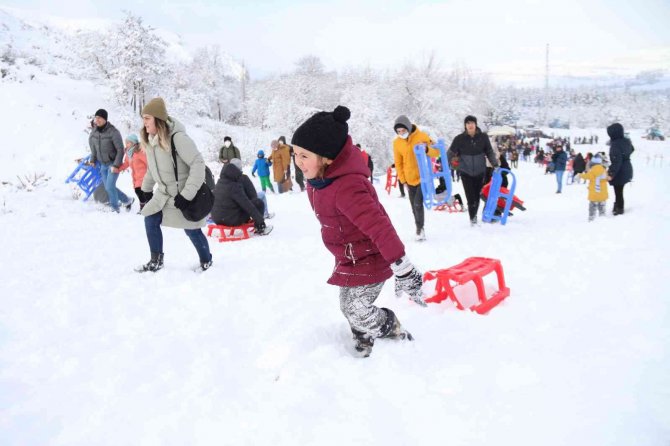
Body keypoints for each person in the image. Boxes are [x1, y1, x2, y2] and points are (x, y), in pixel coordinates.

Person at [292, 105, 424, 358]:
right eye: (295, 154)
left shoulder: (347, 187)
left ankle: (391, 327)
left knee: (355, 308)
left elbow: (379, 226)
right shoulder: (320, 181)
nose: (298, 161)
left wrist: (403, 268)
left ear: (327, 157)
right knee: (349, 304)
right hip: (350, 256)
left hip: (371, 257)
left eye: (304, 156)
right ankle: (363, 335)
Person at [135, 97, 213, 273]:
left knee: (191, 229)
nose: (144, 123)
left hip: (184, 196)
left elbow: (198, 163)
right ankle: (156, 261)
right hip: (164, 195)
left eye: (147, 118)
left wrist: (187, 195)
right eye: (143, 118)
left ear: (158, 119)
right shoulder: (151, 141)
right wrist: (145, 189)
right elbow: (152, 170)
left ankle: (206, 260)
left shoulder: (178, 138)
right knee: (150, 218)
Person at [392, 115, 439, 240]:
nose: (401, 133)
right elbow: (398, 163)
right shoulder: (397, 143)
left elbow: (436, 152)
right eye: (398, 132)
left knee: (418, 203)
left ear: (408, 127)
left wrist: (427, 149)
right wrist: (403, 180)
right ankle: (419, 226)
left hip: (423, 177)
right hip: (409, 179)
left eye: (403, 130)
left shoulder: (421, 136)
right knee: (413, 205)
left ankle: (420, 229)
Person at [447, 115, 499, 226]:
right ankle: (473, 219)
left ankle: (474, 216)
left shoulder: (483, 137)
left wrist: (495, 164)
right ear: (465, 125)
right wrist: (445, 165)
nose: (470, 125)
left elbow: (489, 151)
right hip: (466, 172)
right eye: (468, 123)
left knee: (477, 196)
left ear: (476, 124)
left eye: (472, 123)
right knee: (470, 197)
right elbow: (450, 153)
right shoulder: (459, 139)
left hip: (480, 171)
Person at [88, 108, 134, 212]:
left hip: (112, 164)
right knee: (109, 186)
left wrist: (116, 165)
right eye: (96, 118)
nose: (97, 120)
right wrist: (92, 159)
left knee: (109, 187)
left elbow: (120, 149)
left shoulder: (113, 132)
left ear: (105, 119)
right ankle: (127, 200)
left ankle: (115, 208)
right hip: (102, 165)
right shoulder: (94, 132)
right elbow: (94, 148)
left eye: (99, 118)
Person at [211, 158, 272, 234]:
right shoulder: (234, 186)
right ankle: (260, 228)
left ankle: (258, 224)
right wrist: (260, 220)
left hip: (216, 218)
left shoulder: (219, 184)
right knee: (258, 202)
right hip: (230, 219)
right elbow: (247, 204)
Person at [606, 123, 634, 215]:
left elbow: (616, 161)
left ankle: (619, 208)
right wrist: (625, 155)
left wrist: (611, 174)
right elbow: (632, 149)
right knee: (619, 190)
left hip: (620, 171)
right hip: (627, 168)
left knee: (618, 191)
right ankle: (618, 205)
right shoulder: (626, 141)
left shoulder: (615, 144)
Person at [119, 134, 149, 211]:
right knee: (140, 192)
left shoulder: (140, 152)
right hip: (135, 176)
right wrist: (118, 169)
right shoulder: (129, 153)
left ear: (134, 143)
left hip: (144, 175)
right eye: (126, 143)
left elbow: (148, 162)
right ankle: (146, 205)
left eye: (128, 143)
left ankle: (144, 208)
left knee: (138, 190)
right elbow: (126, 163)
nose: (126, 144)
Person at [578, 154, 608, 222]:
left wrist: (579, 175)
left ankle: (591, 219)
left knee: (593, 207)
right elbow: (606, 178)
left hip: (594, 193)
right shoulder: (603, 169)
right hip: (603, 193)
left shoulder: (593, 170)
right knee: (602, 206)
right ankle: (602, 218)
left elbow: (588, 176)